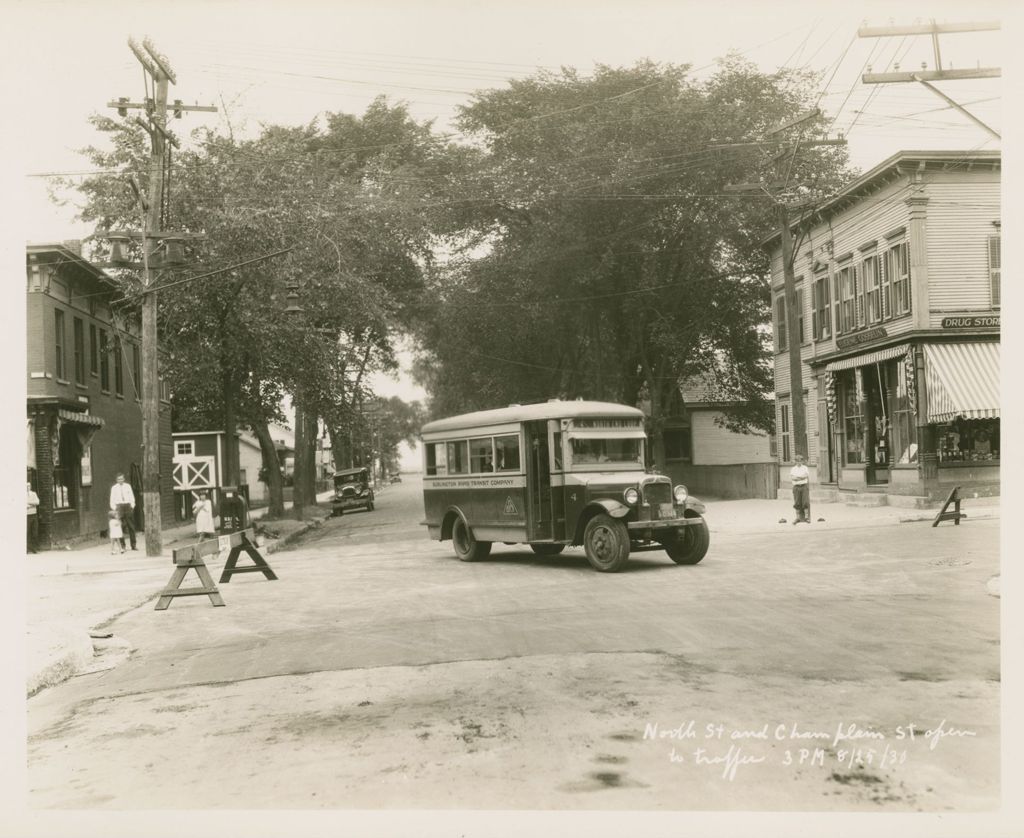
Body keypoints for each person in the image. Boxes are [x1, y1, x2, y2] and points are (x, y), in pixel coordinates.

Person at [109, 472, 137, 550]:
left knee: (131, 526)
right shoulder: (114, 488)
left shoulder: (128, 486)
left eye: (121, 479)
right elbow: (112, 499)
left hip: (127, 506)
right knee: (120, 526)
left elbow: (132, 497)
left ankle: (133, 545)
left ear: (124, 479)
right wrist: (115, 508)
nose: (120, 480)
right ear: (116, 480)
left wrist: (132, 506)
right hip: (119, 507)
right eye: (119, 479)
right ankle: (122, 545)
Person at [790, 454, 811, 524]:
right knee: (797, 502)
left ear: (802, 461)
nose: (799, 462)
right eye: (797, 461)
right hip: (796, 487)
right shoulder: (793, 469)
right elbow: (793, 478)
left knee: (805, 502)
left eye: (800, 461)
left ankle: (807, 518)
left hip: (804, 486)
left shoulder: (805, 468)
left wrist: (798, 478)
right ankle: (797, 518)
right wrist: (800, 478)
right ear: (795, 461)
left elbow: (805, 476)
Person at [26, 482, 40, 554]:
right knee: (27, 532)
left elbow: (37, 502)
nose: (27, 487)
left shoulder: (34, 494)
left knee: (34, 532)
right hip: (26, 515)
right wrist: (32, 504)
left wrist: (28, 503)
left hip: (34, 514)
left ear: (30, 486)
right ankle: (27, 549)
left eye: (28, 486)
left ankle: (34, 548)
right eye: (26, 486)